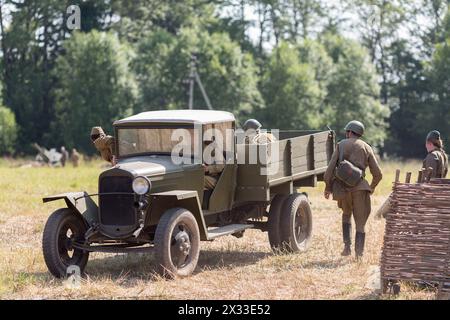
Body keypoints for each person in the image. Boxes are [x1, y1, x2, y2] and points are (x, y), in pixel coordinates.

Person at [324, 120, 383, 258]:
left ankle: (347, 248)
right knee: (360, 224)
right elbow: (378, 174)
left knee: (346, 215)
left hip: (342, 189)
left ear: (349, 132)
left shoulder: (340, 145)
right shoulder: (366, 147)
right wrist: (371, 187)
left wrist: (328, 187)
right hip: (360, 189)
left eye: (347, 131)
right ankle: (359, 255)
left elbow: (329, 171)